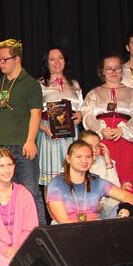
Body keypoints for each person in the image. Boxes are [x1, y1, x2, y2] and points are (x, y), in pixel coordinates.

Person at [0, 38, 46, 225]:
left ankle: (39, 233)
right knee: (5, 192)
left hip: (23, 146)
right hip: (1, 146)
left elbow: (35, 114)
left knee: (30, 191)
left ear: (17, 59)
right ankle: (11, 230)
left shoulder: (30, 84)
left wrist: (30, 140)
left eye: (4, 59)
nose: (0, 63)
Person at [81, 54, 133, 185]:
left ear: (122, 70)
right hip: (102, 140)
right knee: (103, 175)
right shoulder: (94, 93)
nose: (114, 72)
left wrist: (123, 130)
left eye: (117, 68)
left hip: (125, 140)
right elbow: (86, 114)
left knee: (127, 175)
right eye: (109, 69)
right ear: (102, 71)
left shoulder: (132, 93)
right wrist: (100, 130)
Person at [46, 140, 133, 224]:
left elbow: (131, 198)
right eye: (79, 156)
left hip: (95, 229)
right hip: (66, 230)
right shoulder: (56, 184)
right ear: (68, 158)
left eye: (88, 157)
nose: (84, 160)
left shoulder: (97, 182)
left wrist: (125, 210)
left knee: (123, 208)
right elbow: (64, 221)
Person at [36, 47, 83, 188]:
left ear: (65, 61)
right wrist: (44, 128)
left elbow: (81, 107)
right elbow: (32, 112)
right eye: (52, 59)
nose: (57, 62)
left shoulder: (74, 84)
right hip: (49, 133)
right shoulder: (39, 84)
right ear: (46, 63)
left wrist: (80, 115)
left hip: (72, 133)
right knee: (51, 181)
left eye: (60, 58)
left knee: (73, 175)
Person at [78, 130, 121, 218]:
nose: (94, 150)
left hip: (103, 207)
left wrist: (108, 162)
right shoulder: (74, 164)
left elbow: (116, 188)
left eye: (97, 146)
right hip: (81, 208)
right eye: (90, 146)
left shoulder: (107, 162)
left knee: (118, 203)